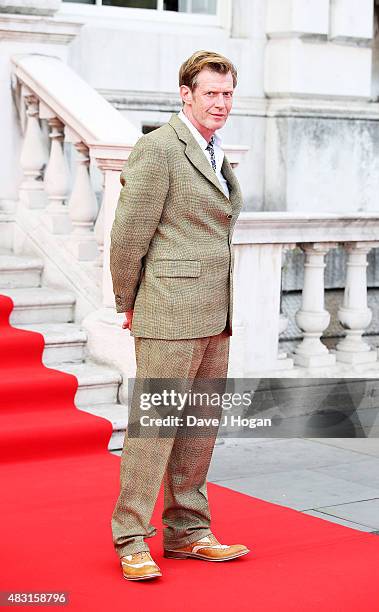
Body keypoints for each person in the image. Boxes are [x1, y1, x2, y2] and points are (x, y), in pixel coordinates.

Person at [110, 50, 249, 582]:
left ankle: (188, 531)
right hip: (167, 310)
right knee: (155, 430)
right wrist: (129, 302)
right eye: (211, 92)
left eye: (228, 93)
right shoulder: (159, 148)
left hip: (215, 311)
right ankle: (130, 537)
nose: (221, 102)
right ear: (185, 95)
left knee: (198, 428)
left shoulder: (214, 150)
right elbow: (128, 237)